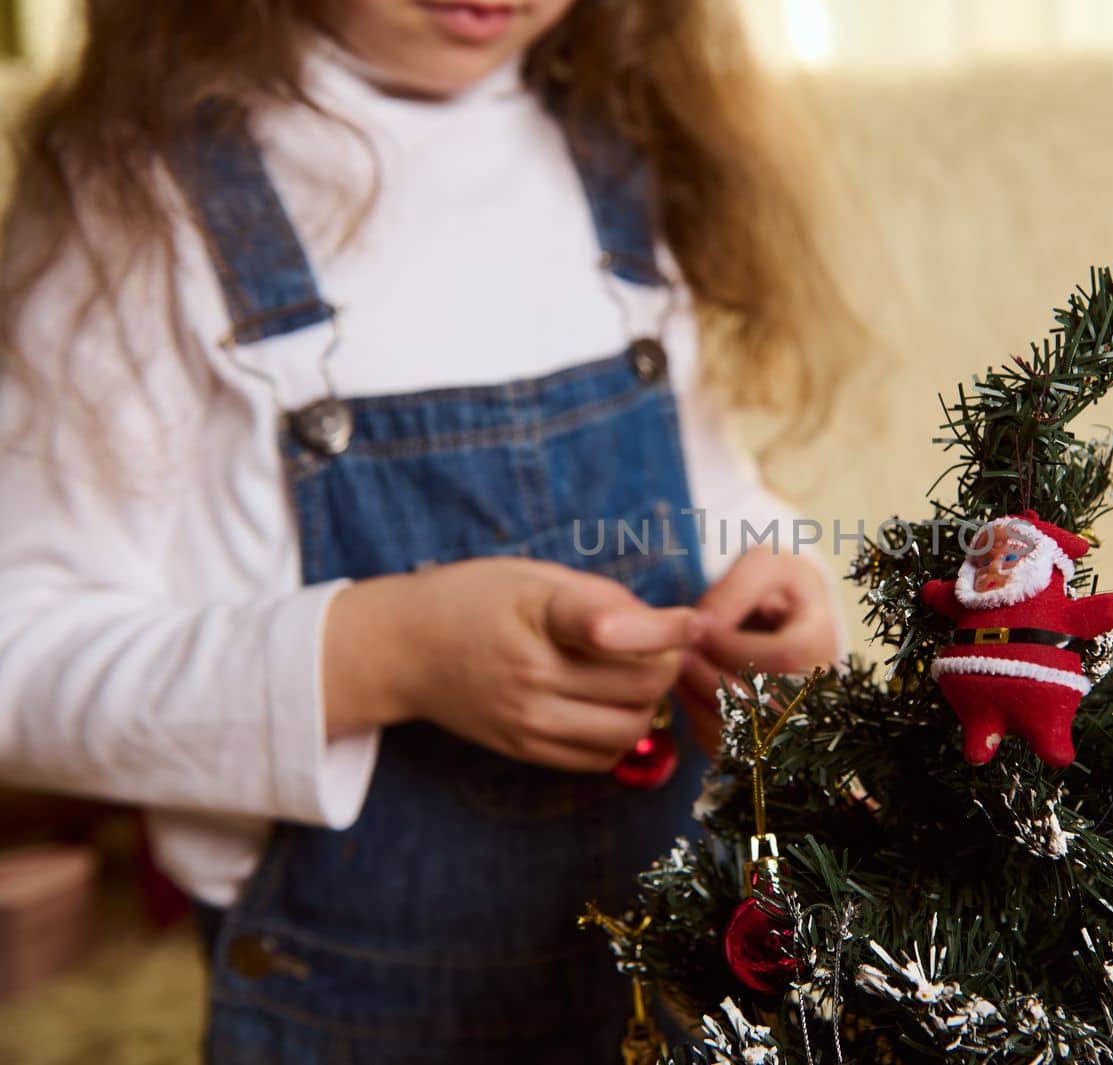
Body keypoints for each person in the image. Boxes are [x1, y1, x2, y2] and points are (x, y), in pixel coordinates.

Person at [0, 1, 857, 1060]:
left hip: (686, 978)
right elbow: (19, 662)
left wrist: (776, 604)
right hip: (354, 1015)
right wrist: (384, 654)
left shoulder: (620, 141)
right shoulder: (132, 200)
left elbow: (714, 500)